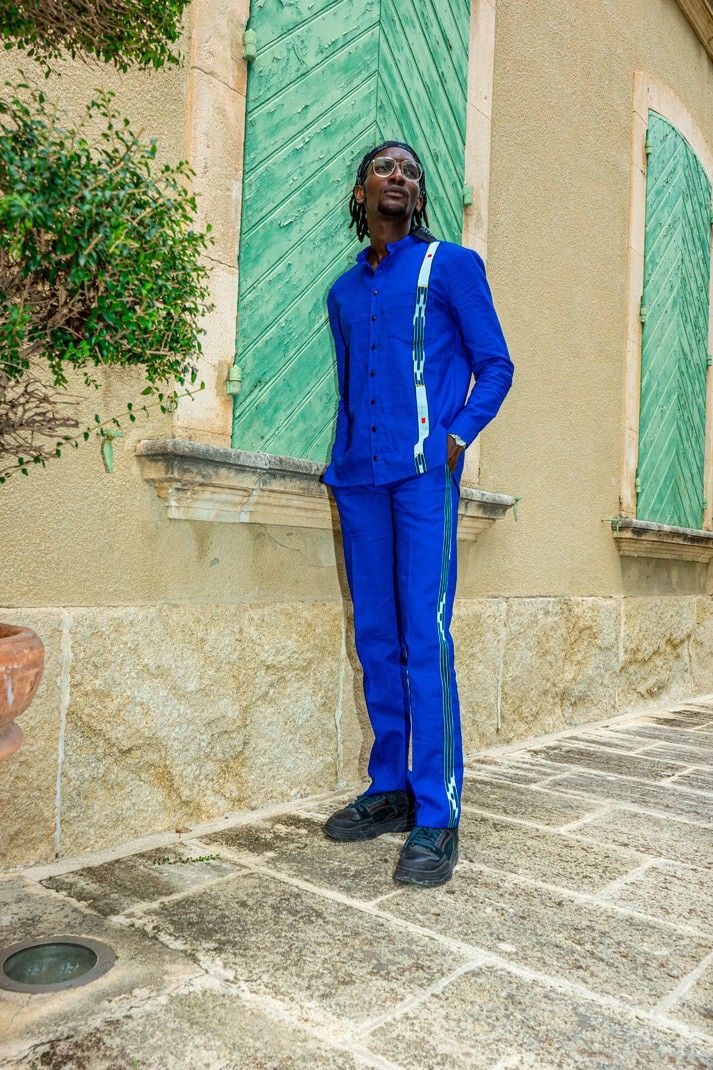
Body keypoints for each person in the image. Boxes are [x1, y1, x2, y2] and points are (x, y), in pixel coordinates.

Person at [321, 140, 514, 887]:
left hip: (423, 479)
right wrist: (344, 459)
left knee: (423, 638)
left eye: (409, 171)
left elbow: (495, 364)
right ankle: (391, 788)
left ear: (418, 196)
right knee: (375, 637)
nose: (397, 177)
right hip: (359, 481)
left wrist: (456, 437)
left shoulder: (451, 266)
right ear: (361, 192)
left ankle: (437, 814)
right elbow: (352, 385)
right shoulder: (343, 291)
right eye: (384, 169)